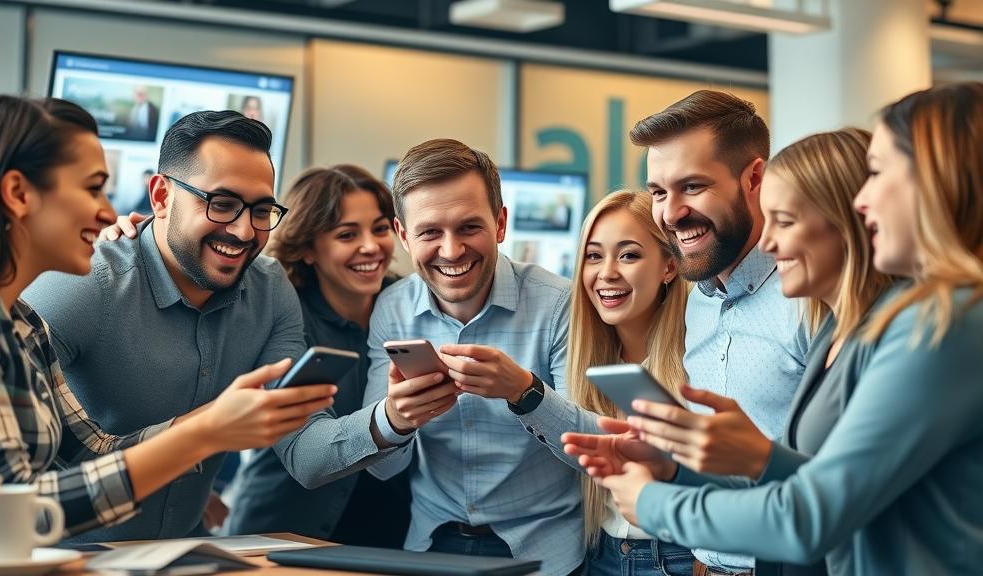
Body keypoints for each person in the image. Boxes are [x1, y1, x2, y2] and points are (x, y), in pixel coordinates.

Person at [568, 82, 983, 576]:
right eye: (659, 191)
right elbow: (824, 485)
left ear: (939, 182)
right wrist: (685, 470)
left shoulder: (942, 322)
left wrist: (656, 504)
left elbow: (813, 513)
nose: (863, 200)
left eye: (878, 173)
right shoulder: (892, 320)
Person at [0, 95, 335, 537]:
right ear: (18, 194)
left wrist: (212, 427)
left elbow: (89, 452)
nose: (109, 212)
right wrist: (204, 433)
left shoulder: (19, 320)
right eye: (92, 187)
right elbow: (8, 516)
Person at [273, 139, 583, 576]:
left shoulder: (560, 304)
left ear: (500, 223)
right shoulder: (392, 308)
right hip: (430, 546)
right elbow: (384, 471)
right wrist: (396, 420)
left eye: (469, 227)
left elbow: (592, 452)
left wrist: (525, 391)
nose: (452, 250)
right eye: (430, 232)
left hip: (545, 550)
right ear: (404, 235)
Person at [596, 90, 809, 576]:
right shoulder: (698, 300)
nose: (670, 214)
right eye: (657, 192)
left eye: (691, 187)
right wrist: (667, 466)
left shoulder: (808, 298)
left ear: (754, 178)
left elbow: (836, 486)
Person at [227, 165, 412, 546]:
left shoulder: (407, 305)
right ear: (308, 249)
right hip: (284, 533)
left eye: (380, 228)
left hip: (391, 534)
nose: (371, 246)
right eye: (347, 234)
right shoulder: (282, 314)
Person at [525, 190, 695, 575]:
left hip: (676, 557)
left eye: (629, 255)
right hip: (598, 555)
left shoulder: (698, 361)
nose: (607, 273)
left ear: (670, 266)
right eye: (594, 255)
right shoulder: (577, 364)